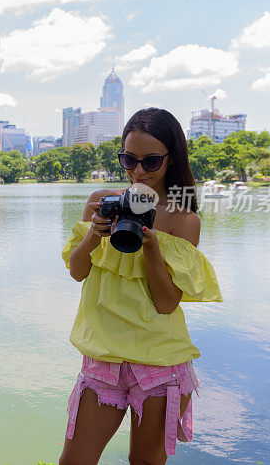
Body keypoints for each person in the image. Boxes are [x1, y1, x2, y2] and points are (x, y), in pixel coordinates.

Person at [58, 107, 223, 465]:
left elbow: (166, 303)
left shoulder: (184, 219)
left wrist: (151, 247)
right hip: (102, 357)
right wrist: (93, 237)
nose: (137, 171)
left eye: (151, 161)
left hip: (160, 364)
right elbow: (77, 271)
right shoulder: (101, 202)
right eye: (129, 160)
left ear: (172, 158)